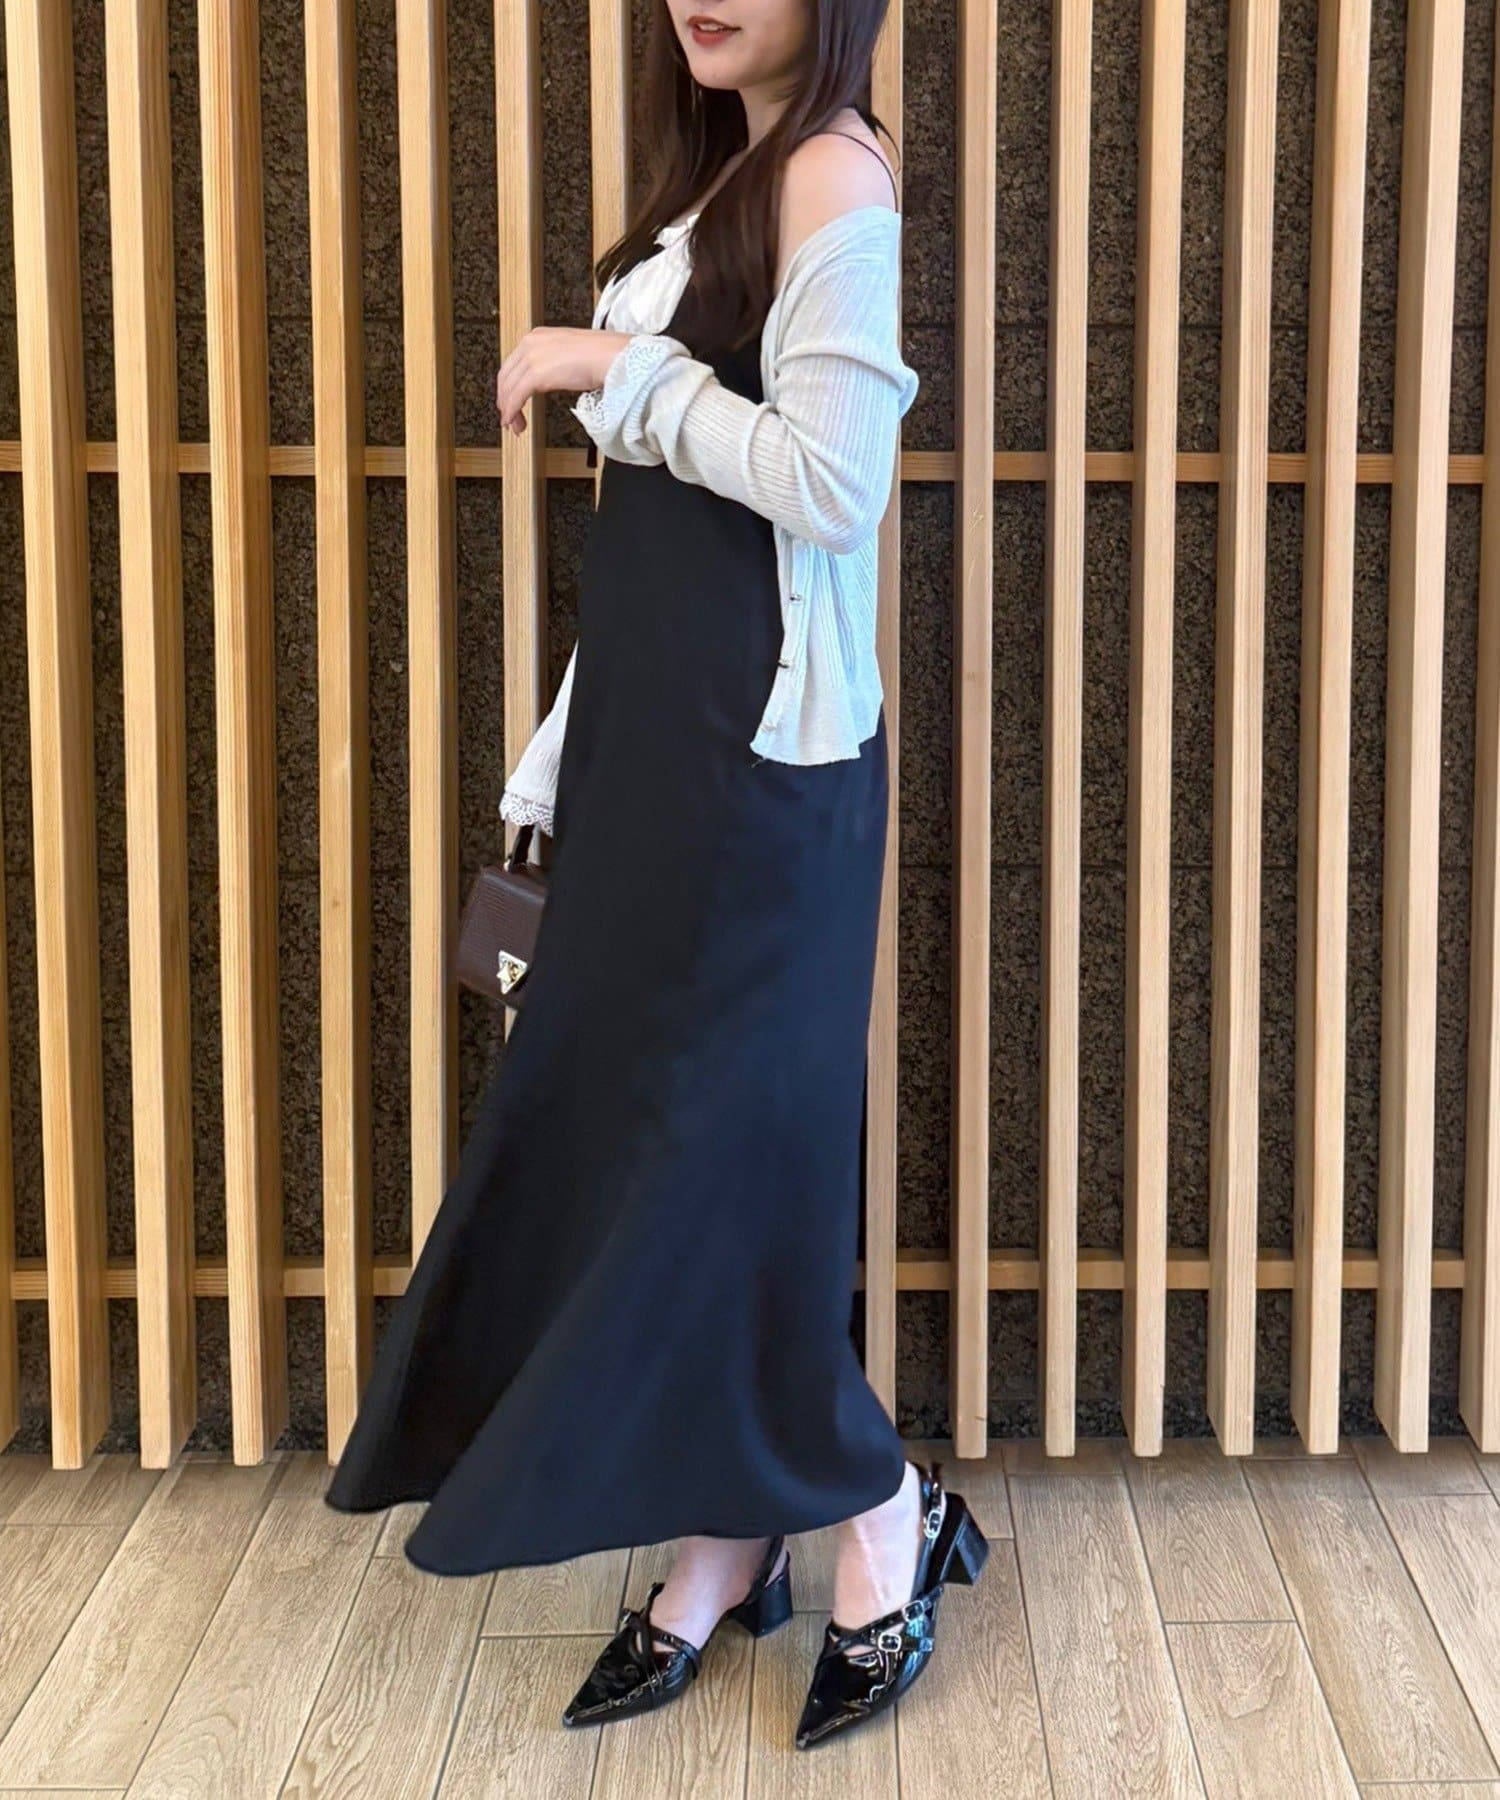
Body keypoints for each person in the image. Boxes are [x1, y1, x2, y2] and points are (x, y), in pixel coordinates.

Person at [323, 0, 989, 1750]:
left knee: (718, 1164)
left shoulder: (833, 175)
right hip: (653, 752)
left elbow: (832, 486)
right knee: (654, 1156)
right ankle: (731, 1534)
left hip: (761, 770)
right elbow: (660, 540)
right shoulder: (723, 185)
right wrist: (566, 751)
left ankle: (877, 1512)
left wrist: (610, 368)